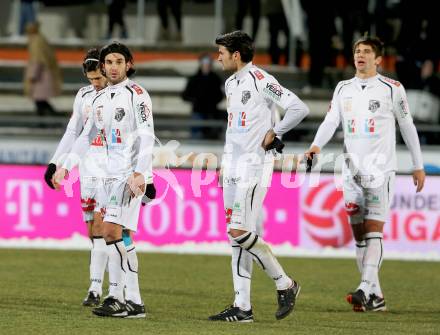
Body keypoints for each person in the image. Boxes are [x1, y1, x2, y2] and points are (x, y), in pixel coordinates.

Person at [304, 36, 425, 312]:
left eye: (367, 51)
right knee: (358, 235)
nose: (360, 55)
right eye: (357, 50)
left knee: (374, 232)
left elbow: (408, 128)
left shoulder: (392, 89)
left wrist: (417, 165)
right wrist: (315, 146)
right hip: (351, 171)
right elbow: (331, 120)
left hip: (380, 170)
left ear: (379, 59)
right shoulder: (343, 88)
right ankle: (375, 296)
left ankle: (364, 286)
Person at [209, 31, 309, 322]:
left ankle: (285, 283)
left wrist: (275, 133)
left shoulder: (261, 80)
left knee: (239, 231)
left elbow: (298, 107)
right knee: (235, 236)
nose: (219, 57)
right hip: (234, 166)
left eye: (222, 52)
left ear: (236, 55)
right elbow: (233, 129)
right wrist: (225, 162)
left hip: (255, 165)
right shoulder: (230, 83)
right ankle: (242, 306)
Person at [54, 42, 155, 318]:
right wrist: (65, 167)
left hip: (129, 175)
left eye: (118, 61)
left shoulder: (137, 95)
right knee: (114, 235)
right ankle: (129, 301)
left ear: (128, 64)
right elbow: (85, 136)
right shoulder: (98, 100)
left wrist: (142, 173)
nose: (112, 66)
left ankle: (125, 299)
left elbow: (147, 134)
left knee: (111, 233)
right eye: (108, 62)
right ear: (102, 66)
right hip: (108, 175)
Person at [44, 48, 109, 307]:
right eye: (91, 79)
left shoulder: (116, 95)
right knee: (92, 228)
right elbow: (74, 131)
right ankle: (95, 287)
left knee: (108, 227)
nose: (95, 83)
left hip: (110, 166)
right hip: (88, 166)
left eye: (98, 78)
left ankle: (117, 287)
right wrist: (54, 162)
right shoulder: (83, 95)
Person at [24, 22, 62, 116]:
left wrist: (32, 75)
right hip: (44, 74)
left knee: (39, 101)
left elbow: (37, 59)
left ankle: (45, 120)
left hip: (40, 77)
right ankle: (48, 118)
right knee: (41, 101)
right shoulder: (41, 39)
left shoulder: (35, 41)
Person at [181, 53, 223, 139]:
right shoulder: (194, 79)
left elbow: (220, 95)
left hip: (212, 113)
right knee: (196, 137)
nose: (206, 66)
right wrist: (196, 100)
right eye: (204, 63)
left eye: (208, 63)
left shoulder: (215, 79)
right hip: (198, 112)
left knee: (212, 138)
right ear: (201, 64)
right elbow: (185, 95)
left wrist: (212, 102)